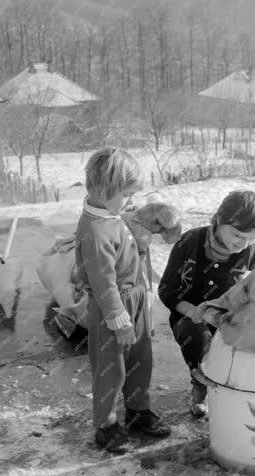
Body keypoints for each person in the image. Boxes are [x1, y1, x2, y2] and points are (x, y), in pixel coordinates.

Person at [74, 147, 171, 454]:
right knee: (111, 368)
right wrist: (119, 320)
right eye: (127, 195)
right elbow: (104, 282)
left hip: (135, 298)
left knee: (141, 359)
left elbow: (126, 241)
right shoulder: (95, 231)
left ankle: (138, 410)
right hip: (112, 308)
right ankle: (105, 426)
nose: (131, 202)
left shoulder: (109, 214)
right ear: (103, 190)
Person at [158, 191, 255, 417]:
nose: (243, 244)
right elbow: (166, 289)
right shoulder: (189, 242)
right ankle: (201, 386)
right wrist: (190, 310)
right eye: (237, 235)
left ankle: (238, 388)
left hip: (227, 318)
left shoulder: (251, 252)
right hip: (189, 317)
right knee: (197, 337)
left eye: (252, 238)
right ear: (219, 219)